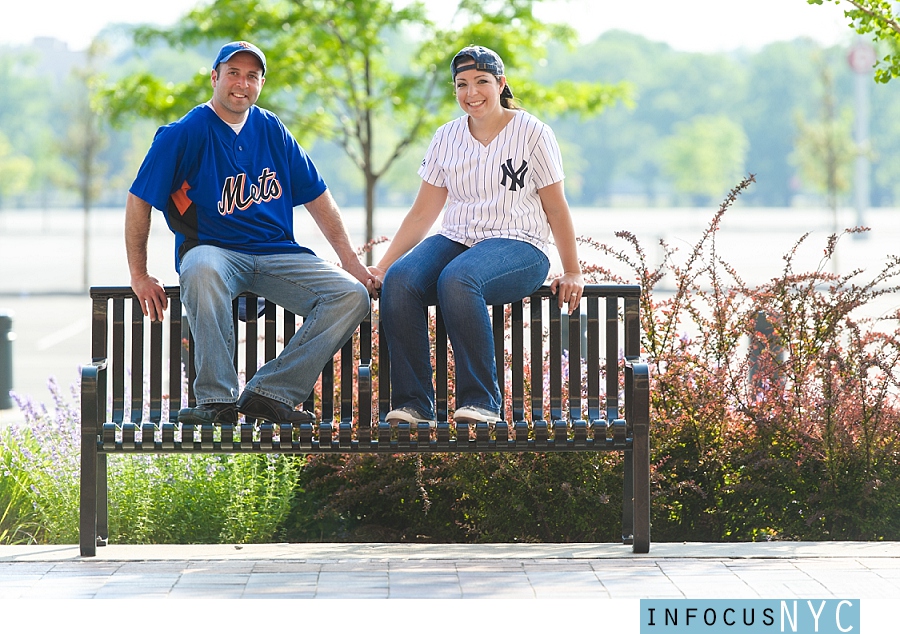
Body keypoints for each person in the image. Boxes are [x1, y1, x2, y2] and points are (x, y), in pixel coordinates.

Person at [126, 40, 373, 426]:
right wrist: (139, 275)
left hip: (277, 254)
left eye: (252, 76)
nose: (242, 84)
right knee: (202, 267)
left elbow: (318, 195)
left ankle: (271, 394)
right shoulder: (184, 133)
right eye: (233, 73)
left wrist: (351, 262)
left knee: (351, 295)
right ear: (215, 77)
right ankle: (216, 400)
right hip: (215, 249)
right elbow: (139, 199)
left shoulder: (271, 128)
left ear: (261, 83)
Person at [367, 45, 584, 427]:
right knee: (401, 281)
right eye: (462, 84)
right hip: (458, 238)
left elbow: (556, 207)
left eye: (482, 81)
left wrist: (573, 270)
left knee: (458, 278)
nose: (472, 93)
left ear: (500, 84)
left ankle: (481, 401)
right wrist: (382, 267)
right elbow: (423, 213)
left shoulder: (533, 133)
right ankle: (415, 406)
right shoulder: (446, 137)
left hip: (521, 245)